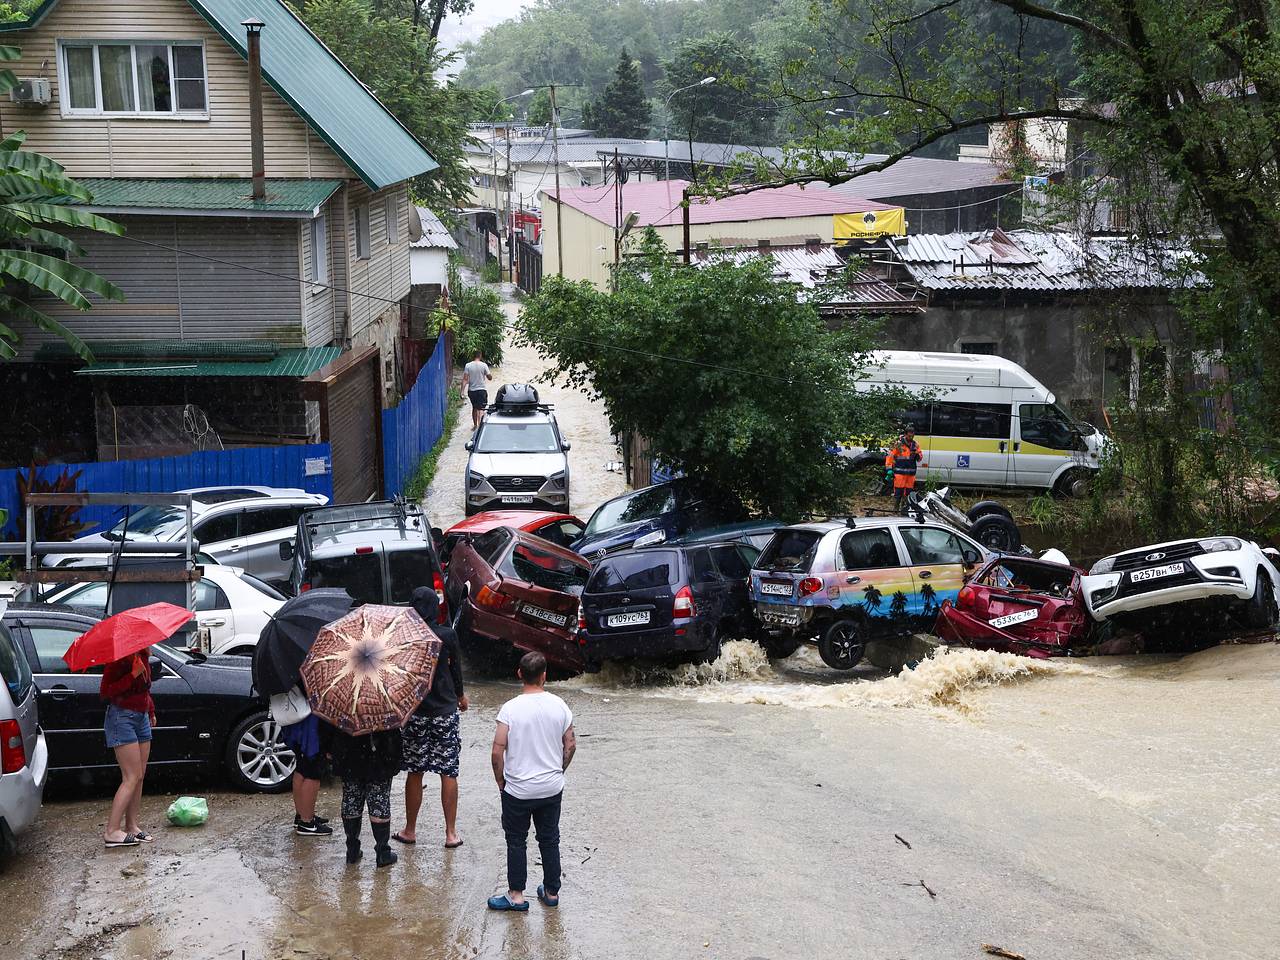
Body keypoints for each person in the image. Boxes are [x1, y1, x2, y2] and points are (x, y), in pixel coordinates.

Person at [488, 652, 576, 912]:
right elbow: (570, 745)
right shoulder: (559, 705)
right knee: (549, 838)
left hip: (518, 789)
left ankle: (516, 895)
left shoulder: (510, 709)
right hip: (551, 787)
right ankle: (551, 892)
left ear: (519, 674)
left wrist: (501, 782)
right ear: (545, 675)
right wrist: (558, 771)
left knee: (516, 840)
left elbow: (496, 752)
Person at [394, 587, 468, 848]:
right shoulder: (447, 636)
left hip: (415, 714)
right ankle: (450, 833)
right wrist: (460, 696)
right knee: (448, 772)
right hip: (444, 713)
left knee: (415, 772)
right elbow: (456, 670)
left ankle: (410, 830)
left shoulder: (407, 638)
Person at [101, 647, 155, 848]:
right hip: (122, 718)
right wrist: (132, 674)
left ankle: (131, 825)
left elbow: (145, 689)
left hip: (141, 717)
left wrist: (150, 710)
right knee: (131, 777)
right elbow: (106, 691)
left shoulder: (143, 655)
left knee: (139, 775)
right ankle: (112, 831)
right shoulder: (118, 659)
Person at [330, 726, 403, 868]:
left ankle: (352, 850)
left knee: (351, 795)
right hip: (380, 746)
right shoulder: (385, 703)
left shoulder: (343, 704)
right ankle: (382, 852)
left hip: (348, 746)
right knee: (379, 797)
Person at [280, 707, 333, 837]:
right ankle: (307, 823)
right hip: (310, 724)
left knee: (302, 767)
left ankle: (302, 814)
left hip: (299, 717)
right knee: (312, 771)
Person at [885, 426, 925, 514]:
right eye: (909, 436)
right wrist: (889, 469)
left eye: (912, 436)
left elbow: (920, 457)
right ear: (905, 435)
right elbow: (890, 456)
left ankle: (905, 509)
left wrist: (917, 455)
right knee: (898, 491)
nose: (911, 438)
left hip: (910, 474)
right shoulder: (898, 444)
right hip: (900, 472)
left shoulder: (915, 445)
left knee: (908, 492)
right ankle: (895, 509)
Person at [460, 349, 493, 430]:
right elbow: (490, 378)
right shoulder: (484, 365)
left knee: (475, 408)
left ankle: (475, 426)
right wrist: (488, 375)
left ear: (473, 356)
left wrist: (462, 392)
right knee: (481, 408)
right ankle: (481, 427)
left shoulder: (468, 365)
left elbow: (465, 379)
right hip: (481, 390)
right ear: (480, 356)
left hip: (472, 391)